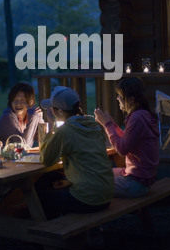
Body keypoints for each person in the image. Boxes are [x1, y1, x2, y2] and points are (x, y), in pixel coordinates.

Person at [35, 86, 114, 219]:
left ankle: (52, 234)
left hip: (88, 199)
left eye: (53, 109)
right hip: (106, 194)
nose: (52, 112)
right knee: (56, 183)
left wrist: (50, 125)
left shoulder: (66, 130)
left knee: (40, 196)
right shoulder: (93, 125)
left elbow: (46, 159)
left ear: (59, 111)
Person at [94, 77, 159, 198]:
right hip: (141, 179)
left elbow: (122, 149)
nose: (117, 98)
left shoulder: (137, 118)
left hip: (136, 184)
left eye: (120, 95)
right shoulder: (143, 114)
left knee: (95, 182)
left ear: (131, 100)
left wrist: (108, 125)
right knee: (100, 174)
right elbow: (128, 139)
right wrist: (113, 124)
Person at [0, 82, 41, 148]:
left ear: (31, 102)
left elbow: (43, 141)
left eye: (22, 100)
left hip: (16, 157)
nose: (18, 104)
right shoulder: (7, 118)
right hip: (0, 157)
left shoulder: (30, 115)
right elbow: (23, 147)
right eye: (15, 100)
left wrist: (40, 118)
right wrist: (34, 116)